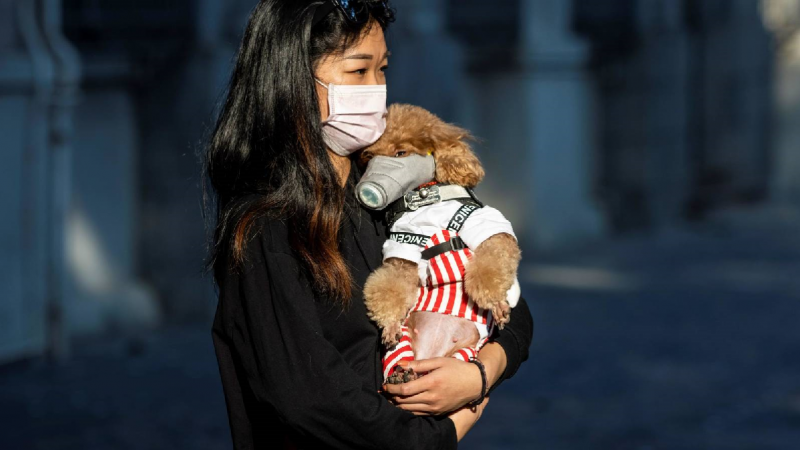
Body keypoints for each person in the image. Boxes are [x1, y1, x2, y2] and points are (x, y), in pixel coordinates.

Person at [203, 1, 534, 448]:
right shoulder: (264, 227)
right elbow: (308, 396)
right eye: (358, 72)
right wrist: (435, 436)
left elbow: (509, 304)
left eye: (382, 69)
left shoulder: (396, 193)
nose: (376, 89)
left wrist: (480, 373)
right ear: (293, 79)